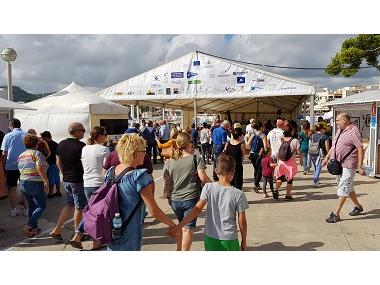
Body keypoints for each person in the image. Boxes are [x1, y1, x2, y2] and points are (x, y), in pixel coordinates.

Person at [106, 134, 177, 251]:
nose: (146, 153)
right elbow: (153, 210)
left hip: (112, 228)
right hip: (129, 232)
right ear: (136, 153)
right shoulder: (140, 176)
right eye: (144, 150)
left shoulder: (111, 171)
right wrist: (172, 224)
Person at [169, 154, 248, 251]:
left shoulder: (208, 188)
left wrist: (178, 227)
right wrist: (244, 241)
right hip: (229, 238)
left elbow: (196, 210)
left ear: (216, 171)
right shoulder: (239, 194)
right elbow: (242, 221)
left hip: (210, 237)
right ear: (233, 172)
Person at [163, 132, 212, 250]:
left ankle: (179, 250)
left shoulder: (169, 161)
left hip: (175, 200)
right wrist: (216, 185)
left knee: (181, 226)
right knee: (187, 229)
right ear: (188, 144)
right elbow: (203, 178)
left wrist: (169, 196)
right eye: (191, 143)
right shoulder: (196, 159)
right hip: (190, 198)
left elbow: (167, 182)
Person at [69, 126, 110, 250]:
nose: (106, 136)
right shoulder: (104, 149)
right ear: (100, 136)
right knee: (97, 214)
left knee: (92, 212)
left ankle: (86, 238)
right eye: (105, 134)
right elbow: (106, 169)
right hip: (99, 183)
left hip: (87, 183)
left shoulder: (85, 149)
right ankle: (86, 238)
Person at [323, 113, 365, 223]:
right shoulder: (340, 130)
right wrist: (327, 157)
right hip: (338, 164)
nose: (336, 122)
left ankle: (336, 214)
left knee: (343, 187)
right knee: (347, 186)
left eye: (337, 120)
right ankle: (358, 206)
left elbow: (360, 148)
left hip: (348, 164)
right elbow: (334, 145)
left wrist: (360, 166)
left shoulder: (353, 131)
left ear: (344, 120)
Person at [49, 122, 87, 241]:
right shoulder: (81, 145)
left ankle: (57, 229)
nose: (84, 132)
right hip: (77, 179)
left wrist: (64, 173)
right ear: (76, 132)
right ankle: (78, 234)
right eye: (82, 130)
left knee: (70, 205)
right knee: (79, 207)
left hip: (66, 179)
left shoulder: (61, 144)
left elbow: (58, 162)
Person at [17, 134, 49, 237]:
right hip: (35, 182)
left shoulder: (21, 155)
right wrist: (46, 181)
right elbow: (40, 168)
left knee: (32, 206)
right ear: (36, 143)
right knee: (41, 206)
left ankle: (34, 228)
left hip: (23, 181)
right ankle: (29, 226)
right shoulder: (37, 153)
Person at [1, 118, 28, 217]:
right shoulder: (27, 135)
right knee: (24, 187)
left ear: (11, 125)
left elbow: (4, 152)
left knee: (12, 188)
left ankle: (13, 210)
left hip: (11, 165)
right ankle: (26, 210)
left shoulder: (8, 136)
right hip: (26, 165)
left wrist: (4, 166)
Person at [273, 124, 303, 201]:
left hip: (281, 162)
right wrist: (301, 160)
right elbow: (299, 152)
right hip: (290, 163)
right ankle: (288, 195)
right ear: (292, 131)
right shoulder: (295, 141)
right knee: (289, 179)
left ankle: (276, 190)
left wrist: (277, 160)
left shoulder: (280, 140)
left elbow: (277, 152)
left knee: (280, 177)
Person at [40, 131, 62, 198]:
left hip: (50, 163)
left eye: (43, 138)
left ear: (46, 137)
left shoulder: (46, 144)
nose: (42, 139)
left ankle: (50, 193)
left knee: (50, 178)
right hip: (57, 163)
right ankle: (58, 192)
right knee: (57, 177)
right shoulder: (56, 144)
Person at [248, 121, 268, 192]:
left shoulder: (253, 134)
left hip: (252, 154)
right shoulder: (263, 135)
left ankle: (257, 184)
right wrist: (265, 153)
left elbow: (248, 144)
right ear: (261, 127)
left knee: (256, 169)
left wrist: (251, 150)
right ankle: (256, 184)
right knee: (260, 169)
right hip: (259, 154)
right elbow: (265, 146)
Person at [309, 123, 330, 188]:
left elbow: (309, 145)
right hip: (320, 154)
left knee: (315, 167)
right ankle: (315, 181)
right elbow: (327, 147)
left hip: (312, 152)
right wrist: (328, 154)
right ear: (321, 129)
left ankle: (317, 180)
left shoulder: (312, 136)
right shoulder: (324, 136)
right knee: (319, 167)